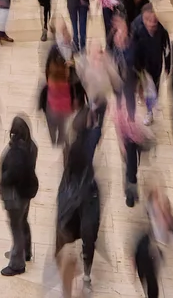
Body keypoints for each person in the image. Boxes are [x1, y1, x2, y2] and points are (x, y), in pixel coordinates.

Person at [53, 110, 104, 297]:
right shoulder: (84, 143)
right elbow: (98, 133)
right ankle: (86, 277)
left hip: (73, 195)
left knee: (70, 232)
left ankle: (75, 275)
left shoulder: (72, 145)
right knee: (88, 237)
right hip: (86, 197)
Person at [0, 115, 40, 276]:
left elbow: (12, 175)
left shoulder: (16, 152)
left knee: (16, 228)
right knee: (23, 221)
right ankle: (26, 252)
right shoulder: (32, 146)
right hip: (27, 192)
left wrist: (0, 179)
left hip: (15, 196)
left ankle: (17, 263)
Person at [132, 187, 173, 298]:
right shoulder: (145, 238)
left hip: (154, 251)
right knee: (148, 279)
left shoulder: (170, 223)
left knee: (152, 284)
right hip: (149, 250)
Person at [130, 5, 169, 121]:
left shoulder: (161, 29)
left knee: (154, 87)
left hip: (156, 63)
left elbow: (166, 47)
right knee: (145, 87)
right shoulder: (136, 28)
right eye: (150, 21)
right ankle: (148, 107)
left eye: (155, 21)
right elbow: (132, 50)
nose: (153, 24)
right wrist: (136, 67)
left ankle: (150, 107)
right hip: (142, 66)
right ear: (144, 19)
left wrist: (167, 64)